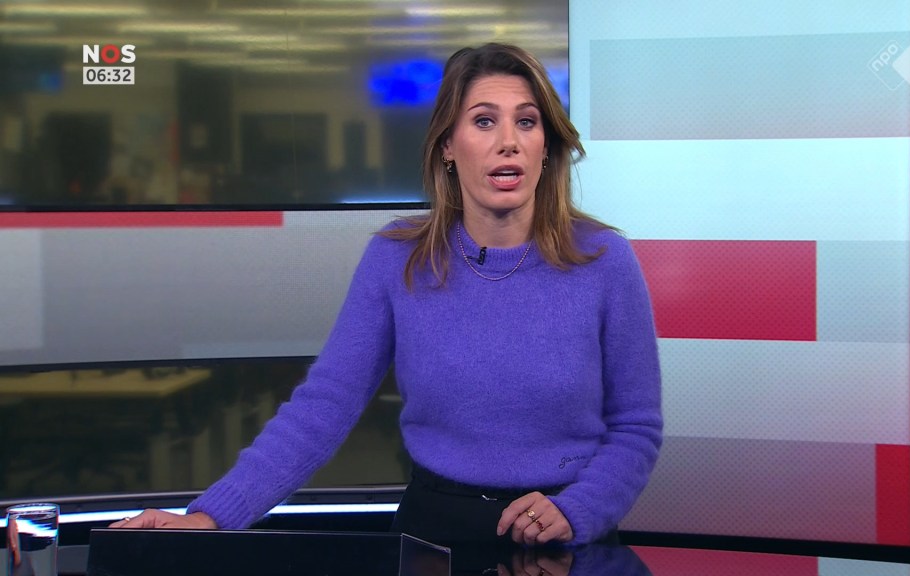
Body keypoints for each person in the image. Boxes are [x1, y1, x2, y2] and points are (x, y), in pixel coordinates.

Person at [112, 42, 662, 549]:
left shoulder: (604, 260)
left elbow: (636, 427)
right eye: (483, 121)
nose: (508, 142)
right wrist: (211, 516)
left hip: (565, 532)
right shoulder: (398, 258)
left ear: (546, 147)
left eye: (526, 121)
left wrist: (580, 509)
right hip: (434, 531)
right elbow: (324, 406)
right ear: (448, 146)